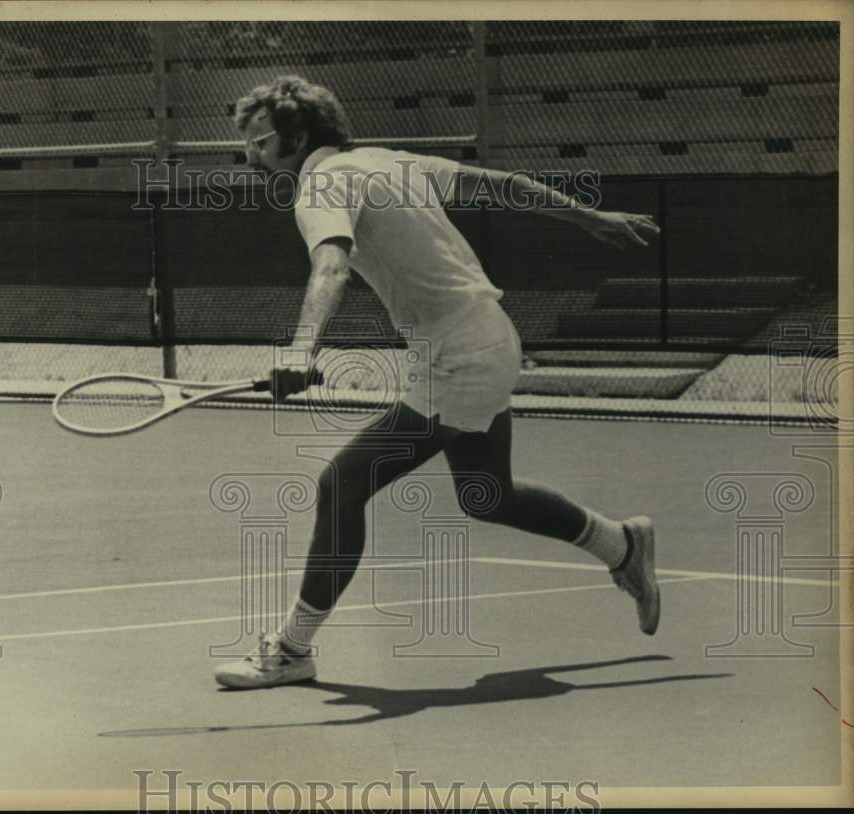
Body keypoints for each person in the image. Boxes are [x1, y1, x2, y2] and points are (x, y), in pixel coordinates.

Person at [215, 76, 662, 690]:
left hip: (462, 352)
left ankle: (293, 649)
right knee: (487, 495)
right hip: (483, 336)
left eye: (259, 143)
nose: (250, 158)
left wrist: (301, 347)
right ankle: (622, 545)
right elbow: (500, 186)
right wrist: (588, 217)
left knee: (343, 482)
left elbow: (331, 264)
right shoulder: (385, 161)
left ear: (295, 136)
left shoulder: (320, 186)